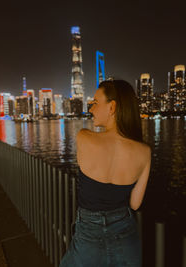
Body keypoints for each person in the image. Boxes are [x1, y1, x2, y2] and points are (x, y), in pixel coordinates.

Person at [59, 80, 151, 267]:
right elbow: (135, 203)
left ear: (112, 107)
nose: (91, 109)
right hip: (126, 236)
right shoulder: (145, 151)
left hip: (88, 235)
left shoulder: (84, 137)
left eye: (95, 103)